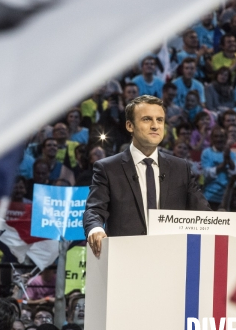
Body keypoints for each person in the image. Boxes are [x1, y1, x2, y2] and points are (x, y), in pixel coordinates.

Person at [83, 95, 211, 257]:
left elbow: (205, 215)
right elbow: (94, 210)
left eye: (160, 120)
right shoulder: (108, 168)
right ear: (130, 126)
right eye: (146, 119)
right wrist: (96, 229)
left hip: (171, 259)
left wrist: (233, 236)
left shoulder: (181, 168)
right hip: (125, 259)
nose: (155, 126)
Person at [201, 126, 236, 210]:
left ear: (226, 138)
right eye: (216, 136)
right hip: (210, 197)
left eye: (221, 136)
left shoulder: (232, 153)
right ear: (212, 139)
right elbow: (207, 174)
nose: (219, 139)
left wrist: (229, 159)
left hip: (228, 198)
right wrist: (223, 164)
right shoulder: (206, 153)